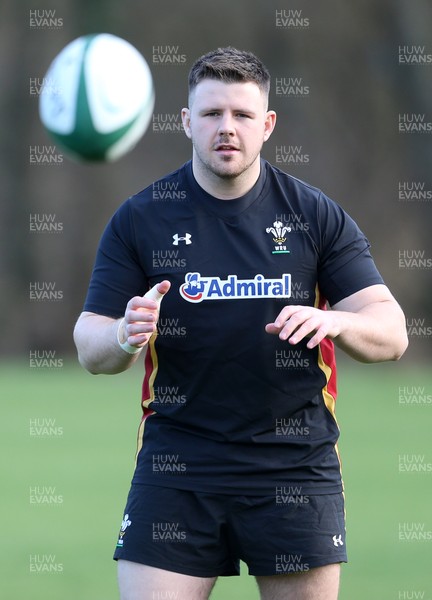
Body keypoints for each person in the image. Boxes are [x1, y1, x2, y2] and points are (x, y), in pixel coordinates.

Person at [73, 47, 408, 600]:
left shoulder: (313, 215)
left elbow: (392, 332)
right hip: (178, 463)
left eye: (243, 115)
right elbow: (90, 347)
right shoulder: (141, 218)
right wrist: (121, 335)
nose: (226, 128)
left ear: (268, 124)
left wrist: (335, 322)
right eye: (210, 114)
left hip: (294, 466)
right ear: (186, 121)